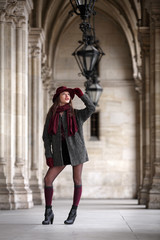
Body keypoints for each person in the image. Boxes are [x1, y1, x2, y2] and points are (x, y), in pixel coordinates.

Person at [42, 86, 95, 225]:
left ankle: (73, 212)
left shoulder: (76, 114)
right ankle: (48, 212)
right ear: (58, 96)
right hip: (59, 153)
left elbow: (91, 108)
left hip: (76, 151)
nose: (67, 96)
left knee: (77, 180)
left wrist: (82, 95)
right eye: (64, 93)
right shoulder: (51, 115)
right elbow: (46, 137)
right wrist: (49, 154)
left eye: (69, 94)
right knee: (48, 179)